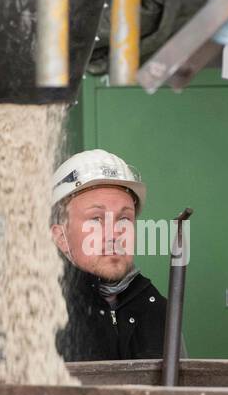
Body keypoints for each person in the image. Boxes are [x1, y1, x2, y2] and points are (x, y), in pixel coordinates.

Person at [50, 149, 167, 361]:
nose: (114, 234)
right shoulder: (32, 310)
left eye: (124, 219)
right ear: (60, 237)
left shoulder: (156, 308)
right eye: (96, 219)